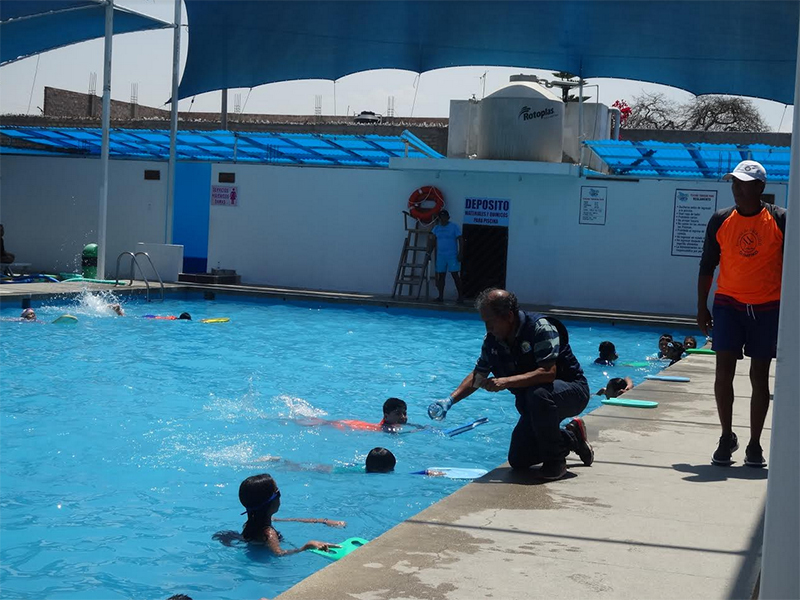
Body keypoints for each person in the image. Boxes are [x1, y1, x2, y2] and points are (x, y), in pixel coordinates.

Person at [429, 288, 593, 480]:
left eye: (489, 322)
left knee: (537, 394)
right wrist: (450, 400)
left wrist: (506, 381)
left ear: (508, 316)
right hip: (534, 404)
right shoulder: (493, 340)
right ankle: (571, 437)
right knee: (518, 459)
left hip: (571, 392)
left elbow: (548, 373)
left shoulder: (541, 328)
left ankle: (555, 462)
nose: (487, 328)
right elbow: (479, 375)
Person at [698, 160, 785, 468]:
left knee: (759, 377)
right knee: (723, 374)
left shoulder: (780, 220)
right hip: (728, 305)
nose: (737, 188)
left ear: (760, 187)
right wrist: (701, 307)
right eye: (734, 183)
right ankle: (726, 436)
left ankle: (755, 443)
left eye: (744, 183)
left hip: (768, 307)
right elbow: (707, 266)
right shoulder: (720, 220)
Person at [213, 473, 345, 556]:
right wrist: (306, 546)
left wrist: (321, 520)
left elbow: (285, 520)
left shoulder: (252, 521)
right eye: (278, 492)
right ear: (270, 502)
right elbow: (279, 554)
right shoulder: (269, 533)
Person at [256, 447, 397, 474]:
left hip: (334, 468)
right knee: (300, 468)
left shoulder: (366, 467)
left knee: (301, 466)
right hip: (332, 471)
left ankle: (280, 460)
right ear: (379, 469)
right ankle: (279, 461)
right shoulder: (366, 472)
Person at [429, 210, 464, 303]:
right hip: (441, 256)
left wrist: (460, 253)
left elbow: (460, 239)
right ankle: (440, 297)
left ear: (448, 217)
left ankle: (460, 297)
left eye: (445, 217)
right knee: (441, 276)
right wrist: (429, 253)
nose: (443, 219)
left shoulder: (454, 227)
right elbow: (432, 241)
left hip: (452, 255)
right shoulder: (436, 228)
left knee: (455, 275)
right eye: (441, 217)